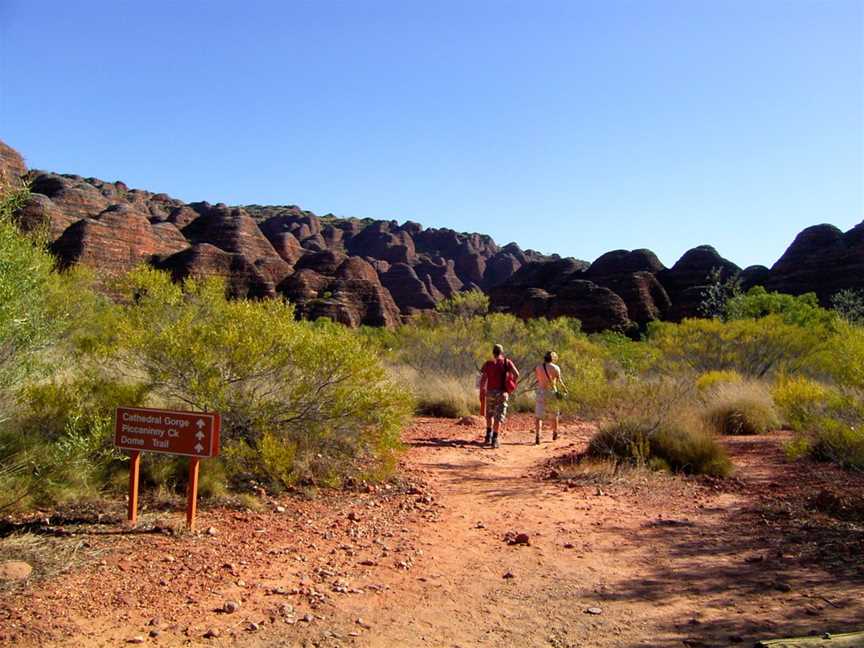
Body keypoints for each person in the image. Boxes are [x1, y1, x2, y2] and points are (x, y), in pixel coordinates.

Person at [479, 344, 519, 448]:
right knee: (498, 416)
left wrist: (482, 389)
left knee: (489, 414)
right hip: (502, 393)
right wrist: (511, 383)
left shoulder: (488, 363)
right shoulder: (507, 362)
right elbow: (517, 374)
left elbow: (483, 378)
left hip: (490, 392)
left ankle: (488, 435)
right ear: (501, 352)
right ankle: (495, 439)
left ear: (493, 352)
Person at [534, 351, 567, 445]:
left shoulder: (538, 367)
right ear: (552, 358)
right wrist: (565, 390)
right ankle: (555, 433)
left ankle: (537, 435)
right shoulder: (556, 368)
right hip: (552, 392)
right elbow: (559, 381)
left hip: (541, 392)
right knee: (554, 415)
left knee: (538, 416)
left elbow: (538, 378)